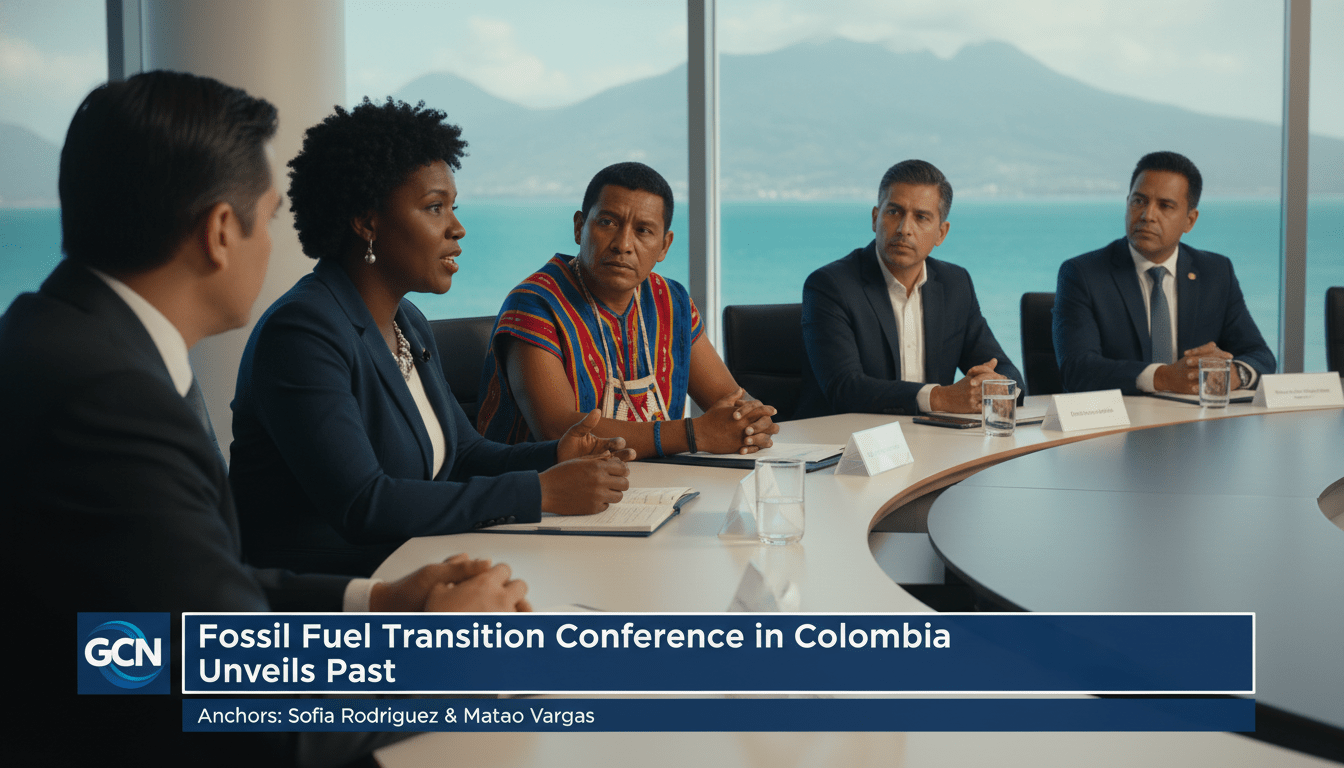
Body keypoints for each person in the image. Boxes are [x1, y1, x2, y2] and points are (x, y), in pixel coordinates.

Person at [0, 71, 530, 767]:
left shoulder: (62, 338)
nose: (277, 244)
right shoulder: (109, 399)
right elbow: (248, 716)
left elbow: (171, 610)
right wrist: (435, 650)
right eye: (271, 215)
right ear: (222, 230)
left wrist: (380, 602)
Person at [231, 99, 633, 577]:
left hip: (416, 568)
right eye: (434, 208)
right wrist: (541, 492)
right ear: (366, 222)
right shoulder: (303, 332)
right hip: (330, 602)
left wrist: (556, 453)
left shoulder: (408, 321)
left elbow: (463, 455)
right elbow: (364, 503)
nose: (457, 228)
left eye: (453, 208)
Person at [478, 161, 780, 458]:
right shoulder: (534, 304)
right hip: (546, 497)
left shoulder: (671, 301)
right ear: (580, 227)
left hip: (659, 490)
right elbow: (560, 430)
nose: (623, 244)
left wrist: (753, 419)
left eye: (643, 230)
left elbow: (731, 401)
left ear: (664, 246)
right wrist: (694, 434)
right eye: (608, 222)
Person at [796, 159, 1023, 418]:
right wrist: (940, 398)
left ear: (941, 233)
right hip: (849, 445)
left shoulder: (955, 284)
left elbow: (1004, 368)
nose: (905, 229)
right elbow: (845, 389)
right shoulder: (830, 286)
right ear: (874, 218)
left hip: (932, 442)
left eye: (921, 217)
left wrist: (994, 385)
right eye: (894, 212)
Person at [1053, 151, 1275, 395]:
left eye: (1165, 206)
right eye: (1139, 201)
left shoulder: (1216, 272)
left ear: (1190, 220)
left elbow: (1261, 356)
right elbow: (1077, 370)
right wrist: (1162, 377)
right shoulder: (1083, 274)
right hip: (1122, 424)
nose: (1148, 215)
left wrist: (1234, 374)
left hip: (1197, 424)